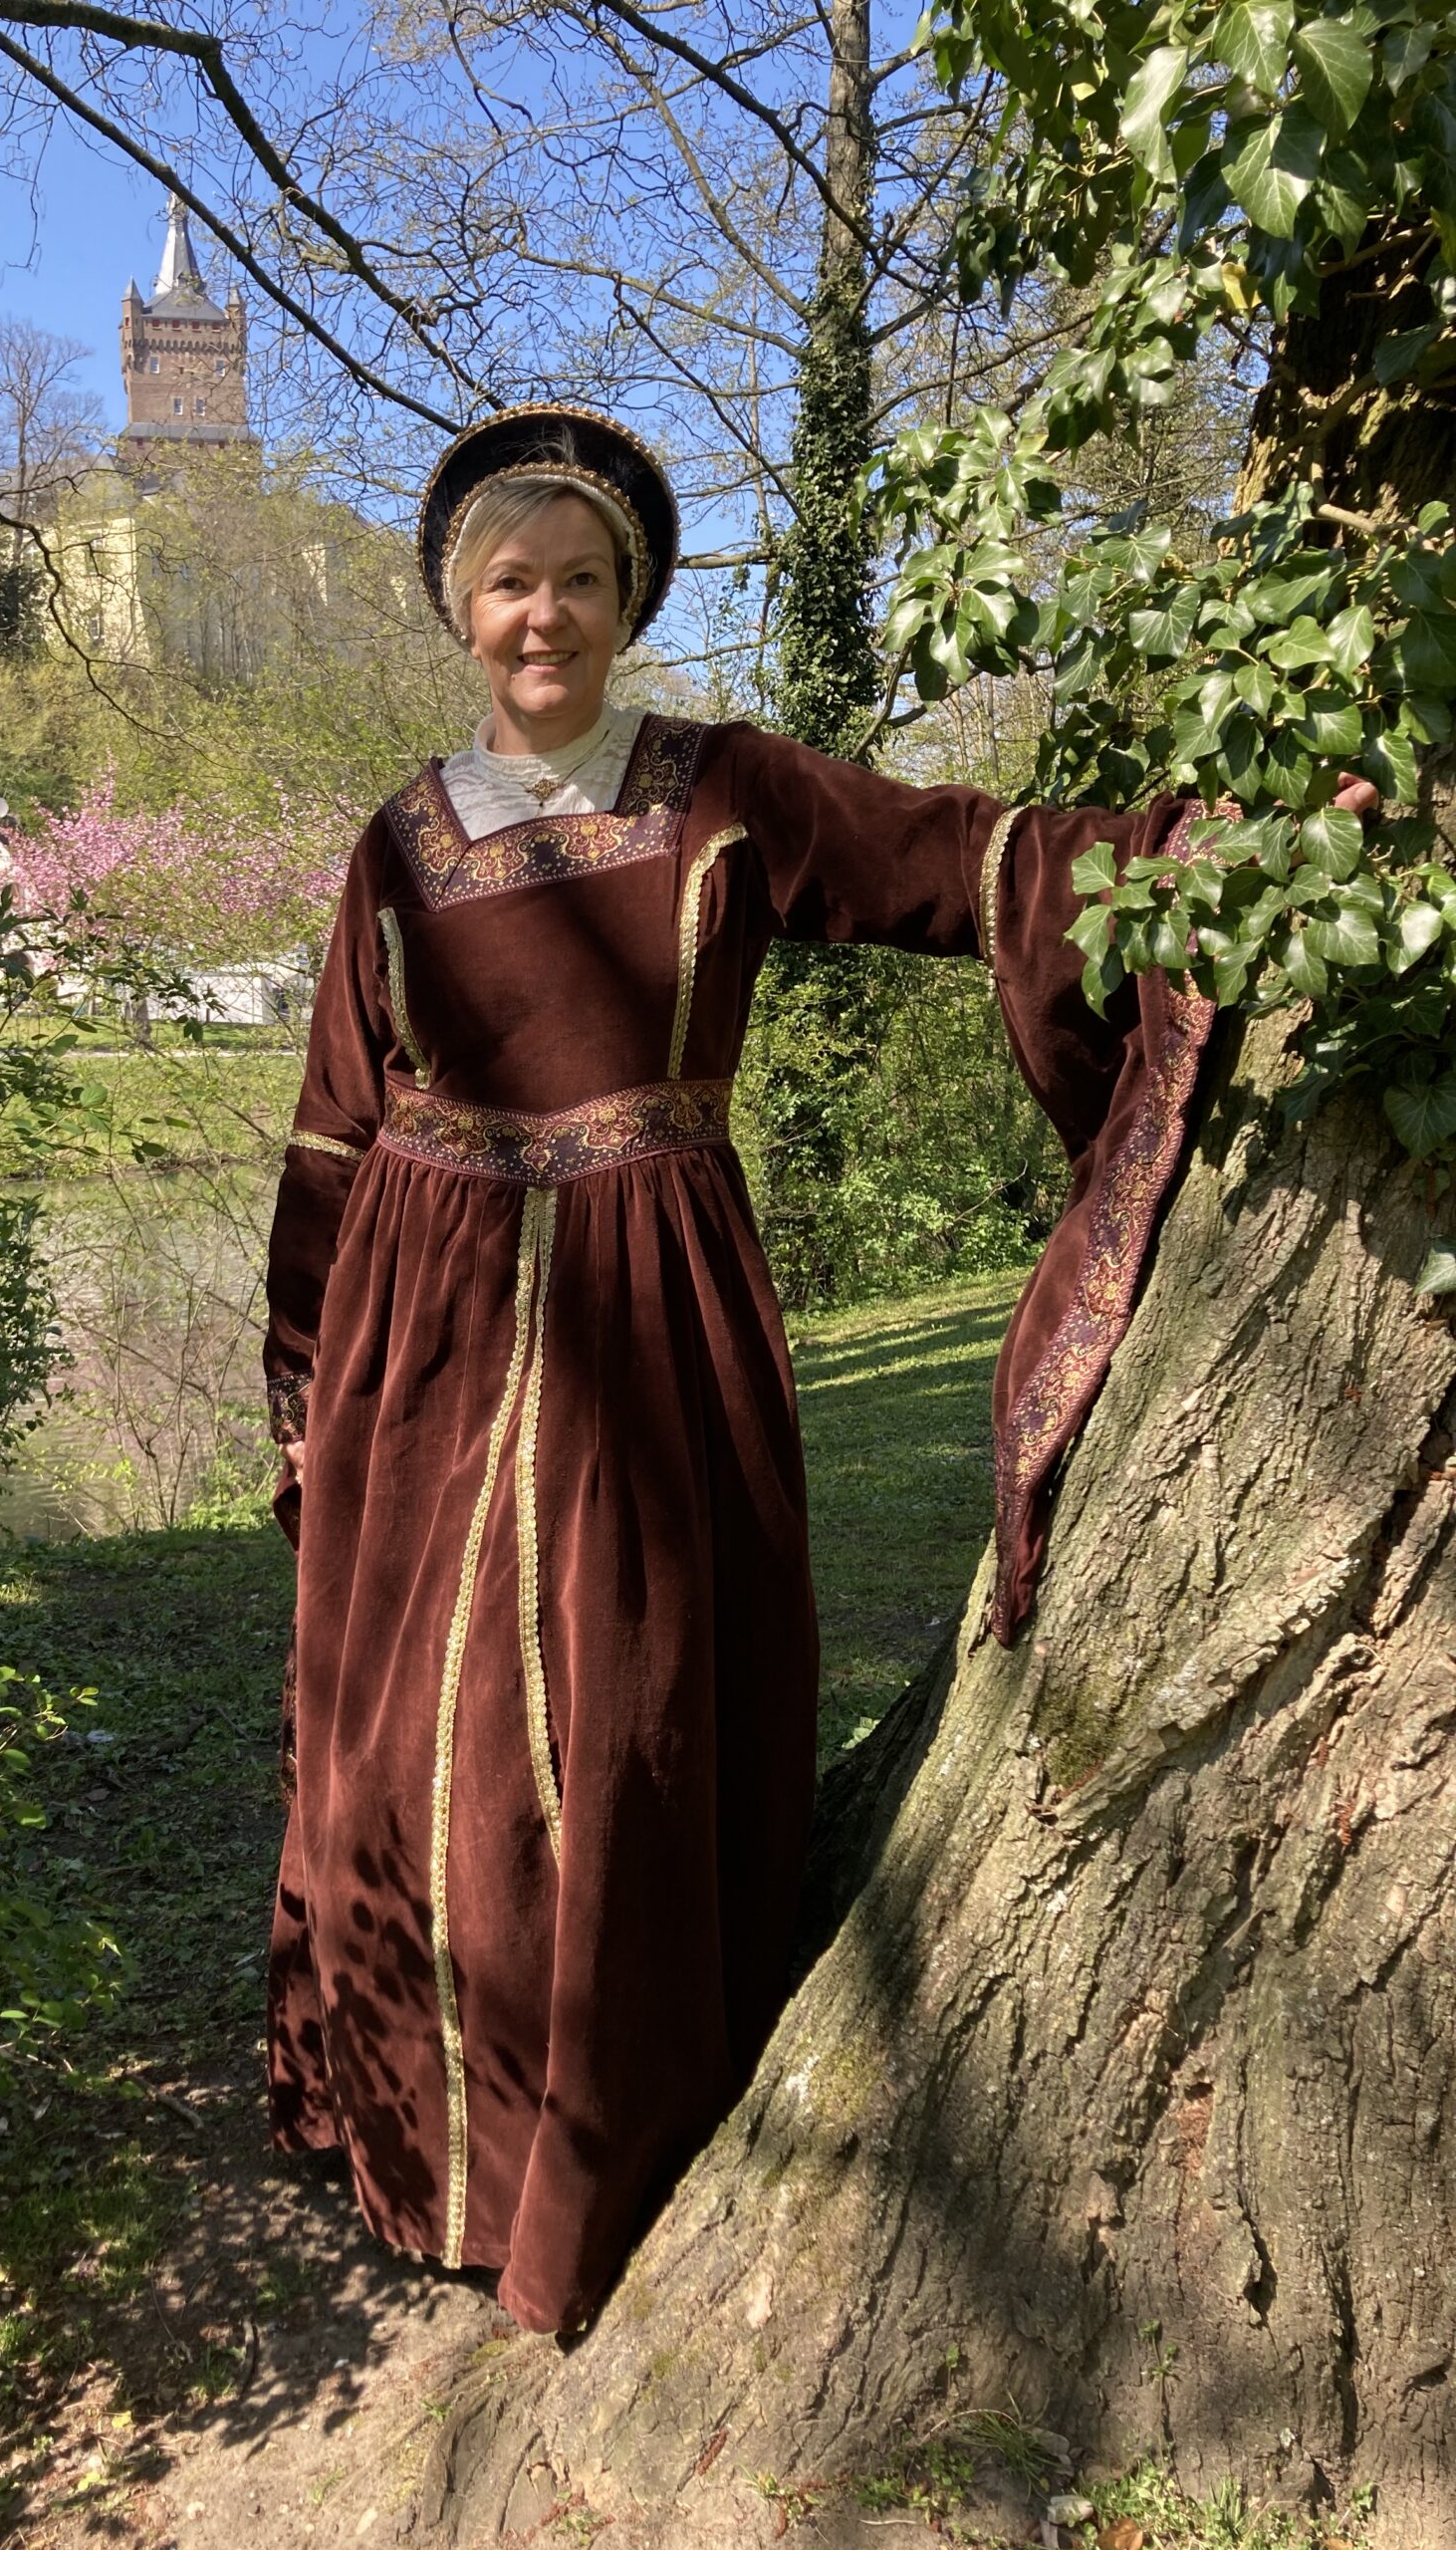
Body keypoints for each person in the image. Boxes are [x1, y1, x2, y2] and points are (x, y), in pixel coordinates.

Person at [260, 403, 1372, 2336]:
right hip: (423, 1344)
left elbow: (964, 858)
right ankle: (443, 2140)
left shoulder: (723, 789)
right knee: (421, 1755)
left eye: (579, 581)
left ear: (625, 604)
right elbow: (335, 1137)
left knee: (628, 1718)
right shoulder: (395, 845)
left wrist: (1216, 849)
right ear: (461, 610)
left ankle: (598, 2156)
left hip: (652, 1321)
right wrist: (303, 1390)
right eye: (509, 584)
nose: (545, 615)